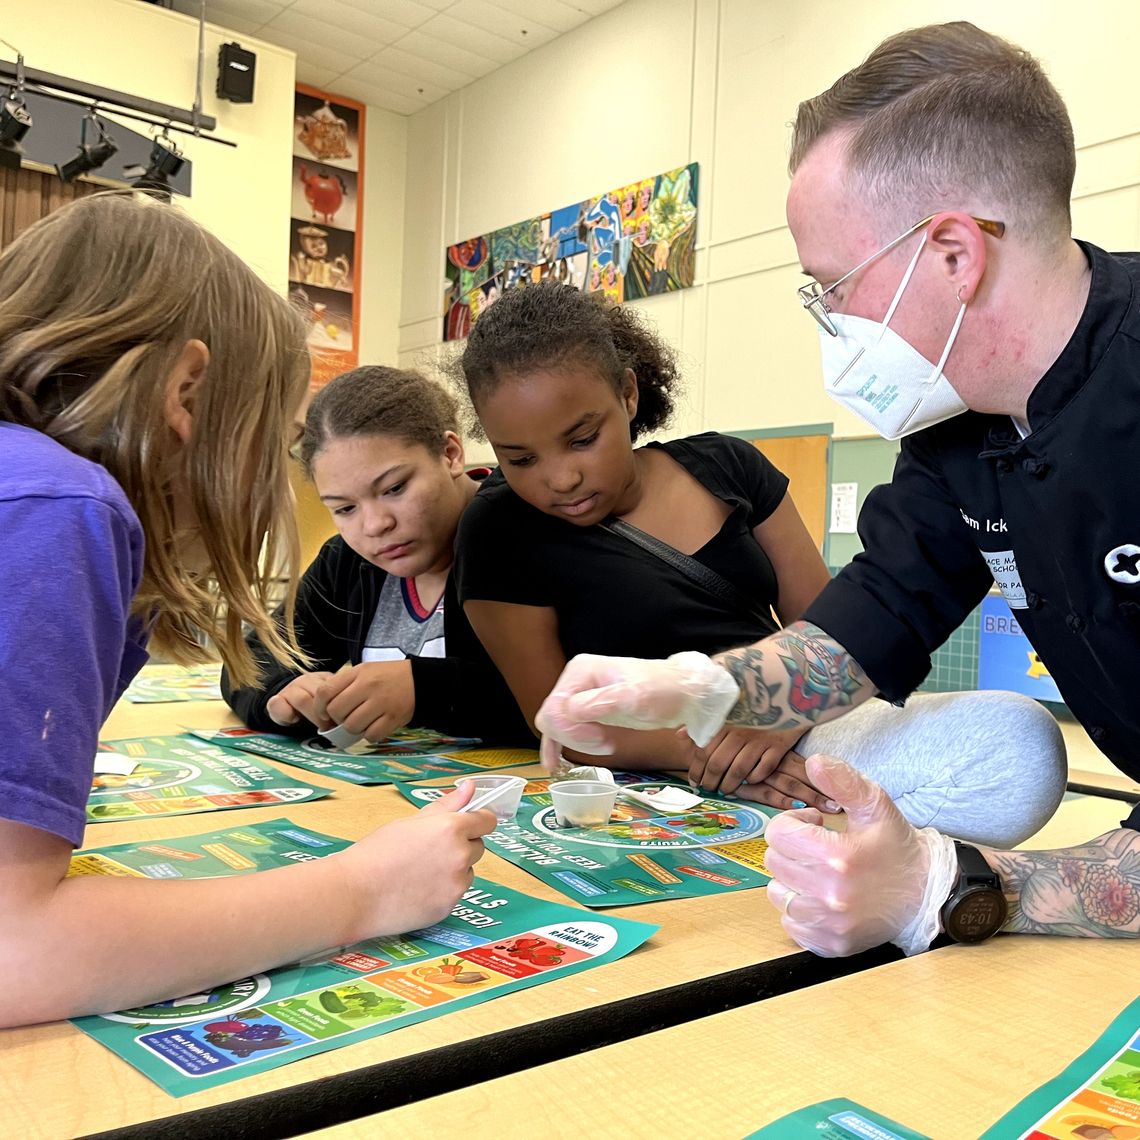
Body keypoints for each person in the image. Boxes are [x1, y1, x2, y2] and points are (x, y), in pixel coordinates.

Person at [534, 21, 1140, 956]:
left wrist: (958, 884)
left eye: (831, 286)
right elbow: (867, 624)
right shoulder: (958, 430)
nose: (828, 321)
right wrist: (693, 689)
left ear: (952, 255)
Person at [0, 195, 494, 1027]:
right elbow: (15, 948)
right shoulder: (58, 506)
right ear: (186, 394)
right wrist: (362, 888)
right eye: (271, 436)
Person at [454, 281, 1063, 840]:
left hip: (795, 715)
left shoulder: (729, 467)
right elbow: (560, 725)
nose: (559, 478)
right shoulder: (498, 528)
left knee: (1018, 744)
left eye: (583, 438)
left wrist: (785, 715)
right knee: (996, 762)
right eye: (519, 460)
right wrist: (709, 754)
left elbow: (827, 628)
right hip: (660, 762)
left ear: (629, 393)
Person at [223, 365, 533, 747]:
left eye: (394, 488)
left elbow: (581, 695)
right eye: (344, 509)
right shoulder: (348, 562)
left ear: (450, 454)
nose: (374, 525)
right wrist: (284, 692)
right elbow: (249, 660)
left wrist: (425, 689)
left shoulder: (520, 530)